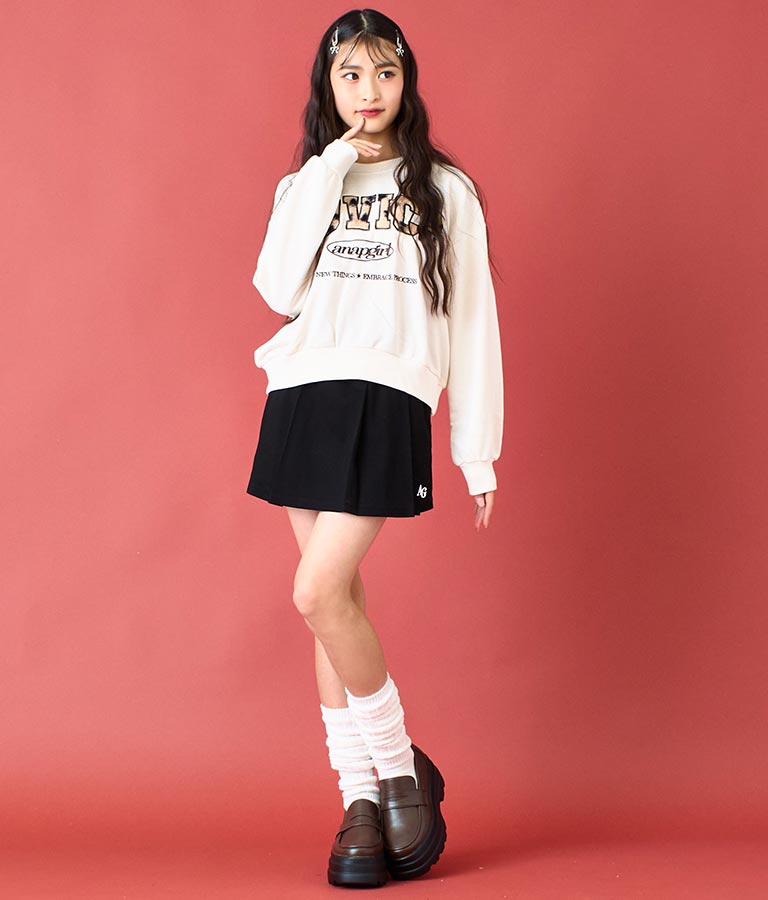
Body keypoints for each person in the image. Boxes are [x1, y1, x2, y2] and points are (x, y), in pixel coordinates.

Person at [245, 8, 504, 889]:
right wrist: (327, 169)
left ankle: (398, 769)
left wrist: (477, 449)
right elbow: (275, 287)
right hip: (302, 392)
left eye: (384, 73)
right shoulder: (306, 184)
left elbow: (472, 322)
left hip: (387, 395)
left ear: (407, 81)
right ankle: (358, 800)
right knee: (334, 601)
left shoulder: (447, 191)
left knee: (317, 591)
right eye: (350, 74)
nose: (368, 92)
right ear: (328, 84)